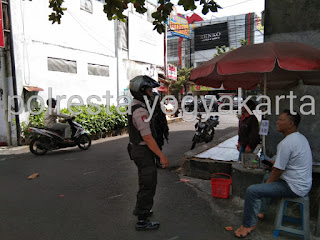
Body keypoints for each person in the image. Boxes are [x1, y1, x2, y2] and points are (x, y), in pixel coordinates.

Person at [234, 109, 313, 238]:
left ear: (291, 124)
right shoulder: (300, 137)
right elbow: (283, 163)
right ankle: (261, 211)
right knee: (266, 177)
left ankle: (248, 225)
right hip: (301, 183)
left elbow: (278, 170)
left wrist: (267, 185)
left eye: (281, 120)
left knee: (253, 191)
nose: (277, 122)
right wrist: (272, 167)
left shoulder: (286, 143)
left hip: (294, 187)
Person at [127, 75, 169, 231]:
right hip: (143, 151)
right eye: (149, 90)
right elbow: (148, 138)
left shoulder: (137, 106)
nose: (152, 93)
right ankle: (142, 221)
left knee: (144, 181)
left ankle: (143, 210)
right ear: (141, 92)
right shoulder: (140, 111)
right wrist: (161, 156)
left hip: (139, 150)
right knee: (148, 184)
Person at [151, 92, 169, 168]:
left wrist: (165, 130)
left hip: (159, 130)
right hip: (152, 130)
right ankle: (154, 162)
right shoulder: (149, 107)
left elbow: (163, 119)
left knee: (159, 145)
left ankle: (158, 161)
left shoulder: (160, 107)